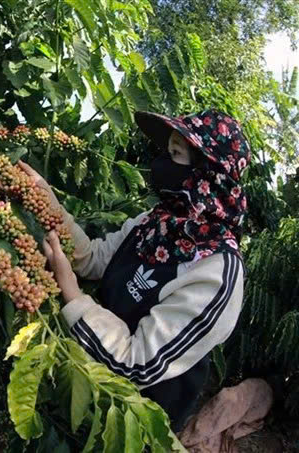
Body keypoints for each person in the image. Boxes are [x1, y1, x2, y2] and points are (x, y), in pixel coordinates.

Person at [33, 109, 250, 432]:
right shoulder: (156, 221)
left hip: (131, 423)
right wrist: (48, 201)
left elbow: (137, 363)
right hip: (85, 381)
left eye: (175, 154)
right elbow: (93, 258)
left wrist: (72, 293)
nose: (162, 162)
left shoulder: (217, 272)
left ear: (206, 174)